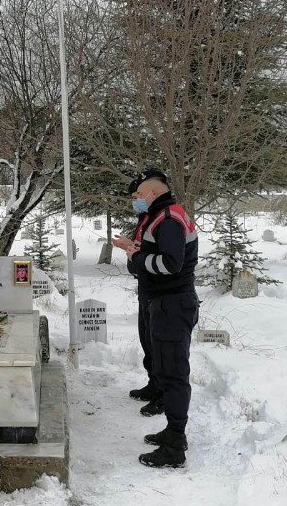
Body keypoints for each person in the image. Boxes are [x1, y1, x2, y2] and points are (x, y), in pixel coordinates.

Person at [115, 169, 199, 468]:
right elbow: (156, 254)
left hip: (173, 304)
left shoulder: (168, 220)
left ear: (152, 193)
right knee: (165, 367)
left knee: (174, 374)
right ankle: (172, 431)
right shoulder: (158, 216)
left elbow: (171, 263)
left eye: (138, 196)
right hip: (163, 303)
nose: (135, 201)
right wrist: (134, 250)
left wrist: (136, 258)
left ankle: (175, 445)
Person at [112, 175, 159, 411]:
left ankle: (162, 393)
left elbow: (163, 258)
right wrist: (130, 245)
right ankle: (153, 383)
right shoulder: (144, 218)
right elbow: (142, 248)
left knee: (158, 346)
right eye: (133, 198)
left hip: (159, 292)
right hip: (145, 289)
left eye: (137, 196)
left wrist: (135, 253)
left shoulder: (161, 219)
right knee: (147, 342)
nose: (135, 201)